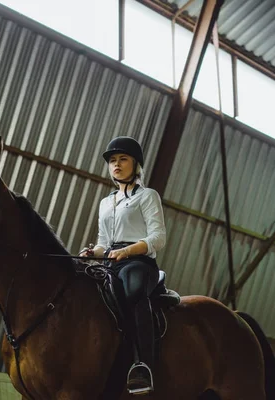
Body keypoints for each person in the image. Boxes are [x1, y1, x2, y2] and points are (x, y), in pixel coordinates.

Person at [80, 136, 166, 395]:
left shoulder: (148, 196)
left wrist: (128, 250)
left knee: (134, 291)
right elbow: (103, 241)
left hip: (139, 262)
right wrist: (92, 251)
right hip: (110, 262)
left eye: (123, 159)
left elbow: (158, 237)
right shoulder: (106, 202)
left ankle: (143, 365)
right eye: (112, 161)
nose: (116, 165)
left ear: (136, 164)